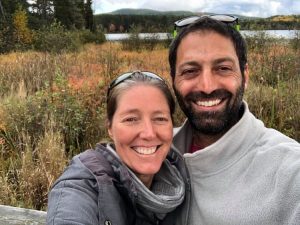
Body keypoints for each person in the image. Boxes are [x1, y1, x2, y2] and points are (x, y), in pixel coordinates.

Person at [169, 16, 300, 225]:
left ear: (245, 76)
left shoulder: (288, 170)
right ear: (173, 79)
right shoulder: (156, 152)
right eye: (190, 71)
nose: (207, 86)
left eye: (223, 68)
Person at [46, 71, 190, 225]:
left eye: (160, 119)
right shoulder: (83, 185)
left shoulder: (182, 177)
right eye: (131, 119)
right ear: (110, 127)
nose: (148, 133)